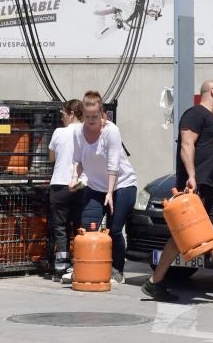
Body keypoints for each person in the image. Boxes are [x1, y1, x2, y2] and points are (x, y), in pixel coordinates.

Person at [142, 80, 213, 303]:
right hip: (196, 188)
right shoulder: (195, 114)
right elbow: (187, 145)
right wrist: (192, 177)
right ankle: (154, 283)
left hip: (209, 187)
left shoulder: (209, 120)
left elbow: (207, 156)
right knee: (182, 237)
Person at [69, 91, 137, 284]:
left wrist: (109, 193)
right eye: (87, 117)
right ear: (83, 115)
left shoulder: (111, 131)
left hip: (122, 185)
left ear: (102, 115)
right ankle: (85, 268)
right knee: (88, 227)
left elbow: (113, 165)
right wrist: (74, 177)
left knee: (114, 229)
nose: (91, 120)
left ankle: (117, 269)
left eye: (95, 116)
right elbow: (77, 159)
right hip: (95, 186)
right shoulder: (77, 132)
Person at [48, 99, 86, 282]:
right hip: (81, 186)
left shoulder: (59, 132)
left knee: (61, 228)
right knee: (79, 226)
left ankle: (61, 268)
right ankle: (81, 265)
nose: (61, 116)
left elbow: (51, 157)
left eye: (63, 113)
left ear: (71, 113)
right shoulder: (87, 132)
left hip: (59, 185)